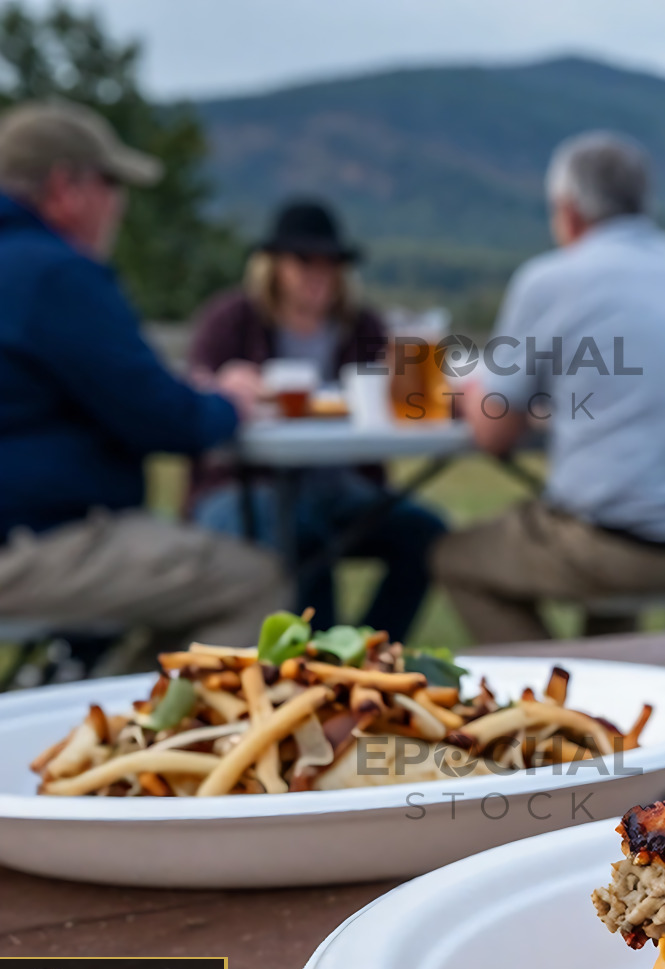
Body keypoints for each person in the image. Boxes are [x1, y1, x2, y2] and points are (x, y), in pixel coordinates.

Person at [430, 131, 665, 643]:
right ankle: (603, 694)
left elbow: (492, 431)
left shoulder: (549, 280)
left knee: (455, 558)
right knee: (607, 522)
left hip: (624, 549)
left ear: (569, 210)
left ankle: (560, 702)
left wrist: (469, 387)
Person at [0, 100, 281, 650]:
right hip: (29, 545)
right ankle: (143, 727)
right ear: (65, 189)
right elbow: (164, 420)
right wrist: (228, 402)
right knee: (253, 581)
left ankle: (105, 701)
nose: (119, 205)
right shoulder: (55, 275)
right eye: (112, 184)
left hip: (31, 527)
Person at [186, 199, 445, 639]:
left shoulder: (363, 327)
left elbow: (392, 401)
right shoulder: (232, 320)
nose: (318, 274)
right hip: (243, 485)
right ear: (273, 266)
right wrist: (220, 385)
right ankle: (318, 669)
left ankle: (372, 655)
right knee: (302, 538)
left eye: (332, 262)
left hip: (340, 484)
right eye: (304, 261)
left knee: (428, 535)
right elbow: (191, 392)